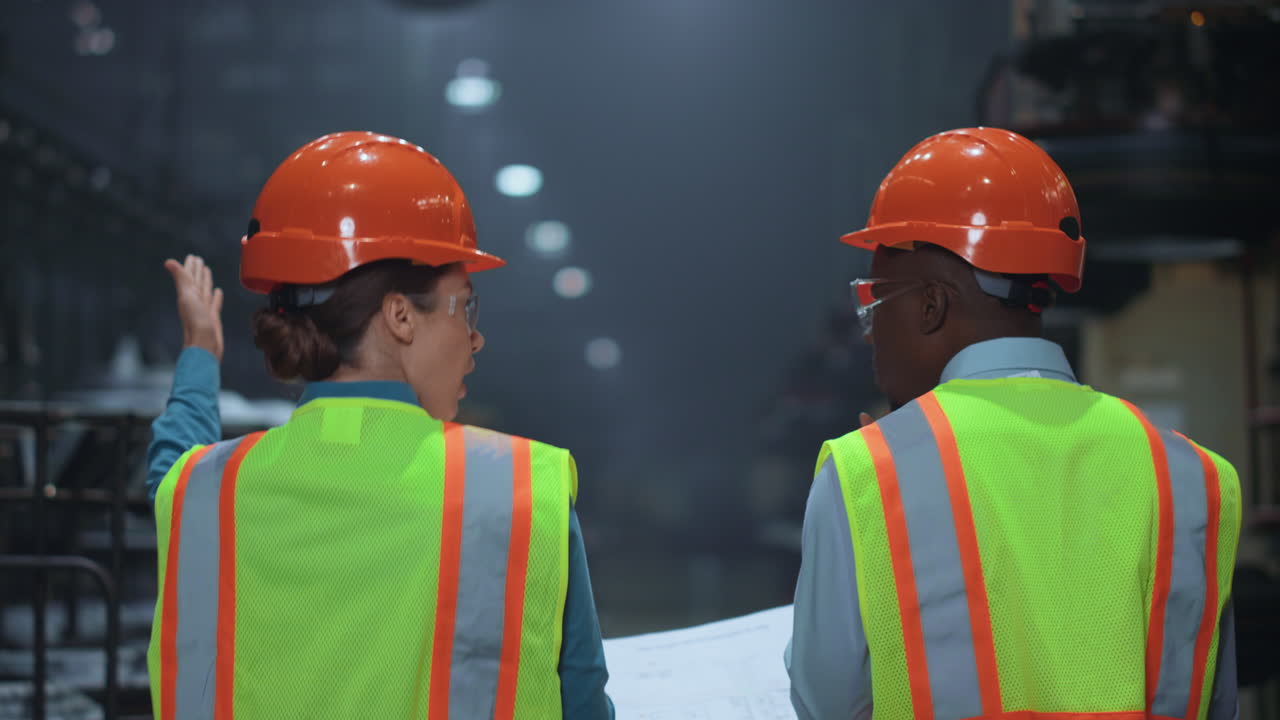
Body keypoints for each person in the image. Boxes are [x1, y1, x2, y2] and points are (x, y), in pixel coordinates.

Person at [144, 132, 613, 720]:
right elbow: (585, 701)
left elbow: (169, 465)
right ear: (399, 316)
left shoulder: (203, 494)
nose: (475, 337)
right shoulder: (522, 492)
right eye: (464, 305)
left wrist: (200, 352)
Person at [786, 127, 1241, 719]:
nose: (871, 336)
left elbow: (825, 703)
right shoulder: (1196, 480)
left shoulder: (865, 479)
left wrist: (891, 455)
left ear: (931, 304)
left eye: (875, 302)